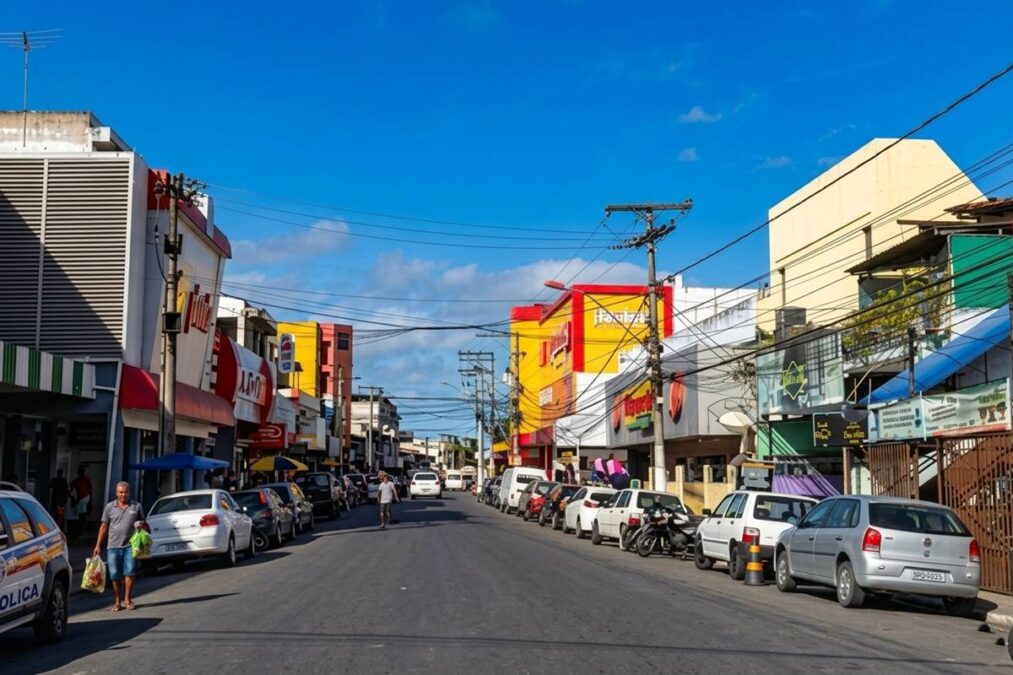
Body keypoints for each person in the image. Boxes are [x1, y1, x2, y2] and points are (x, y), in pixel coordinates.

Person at [94, 481, 145, 612]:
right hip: (113, 547)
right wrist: (98, 545)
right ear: (116, 493)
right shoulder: (109, 507)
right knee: (115, 575)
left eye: (126, 492)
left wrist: (141, 526)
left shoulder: (136, 506)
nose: (123, 495)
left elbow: (144, 525)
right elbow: (104, 526)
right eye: (121, 492)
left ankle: (128, 599)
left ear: (129, 492)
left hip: (130, 546)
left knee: (130, 572)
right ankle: (117, 601)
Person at [70, 464, 93, 540]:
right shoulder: (76, 480)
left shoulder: (86, 479)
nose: (81, 472)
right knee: (80, 516)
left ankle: (80, 531)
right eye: (80, 470)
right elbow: (71, 490)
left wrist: (90, 501)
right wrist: (73, 499)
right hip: (80, 500)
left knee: (82, 516)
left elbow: (90, 490)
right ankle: (78, 531)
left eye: (82, 470)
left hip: (85, 498)